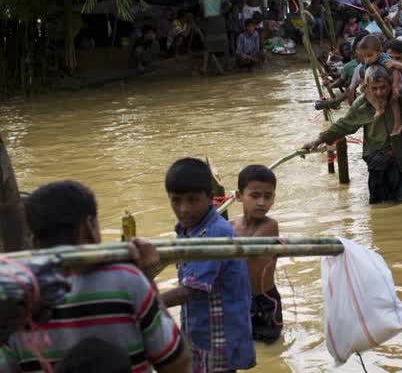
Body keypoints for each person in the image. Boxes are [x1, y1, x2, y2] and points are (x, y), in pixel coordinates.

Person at [0, 180, 190, 373]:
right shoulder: (127, 280)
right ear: (90, 227)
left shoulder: (16, 295)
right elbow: (177, 366)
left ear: (34, 241)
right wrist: (147, 277)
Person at [159, 158, 255, 373]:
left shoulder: (215, 233)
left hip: (219, 340)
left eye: (193, 200)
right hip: (201, 331)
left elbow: (190, 290)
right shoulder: (187, 229)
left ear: (210, 198)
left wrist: (149, 303)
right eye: (176, 200)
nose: (184, 209)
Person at [302, 62, 402, 204]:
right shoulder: (362, 105)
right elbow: (344, 125)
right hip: (378, 159)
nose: (379, 93)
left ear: (390, 85)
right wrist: (318, 140)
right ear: (367, 88)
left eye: (383, 87)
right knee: (378, 206)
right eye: (375, 89)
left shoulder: (397, 96)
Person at [231, 165, 283, 344]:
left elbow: (246, 252)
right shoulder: (229, 226)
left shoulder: (270, 226)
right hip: (238, 301)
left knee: (270, 351)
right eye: (255, 196)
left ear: (273, 198)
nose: (262, 202)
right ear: (239, 196)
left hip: (265, 301)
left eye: (268, 196)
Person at [354, 35, 402, 136]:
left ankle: (397, 124)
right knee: (366, 93)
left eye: (370, 55)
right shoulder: (367, 62)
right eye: (365, 57)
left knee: (394, 101)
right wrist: (364, 84)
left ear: (379, 51)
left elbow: (395, 72)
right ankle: (378, 108)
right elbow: (364, 74)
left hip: (391, 84)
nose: (367, 59)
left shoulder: (385, 59)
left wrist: (395, 86)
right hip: (378, 87)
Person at [199, 0, 231, 75]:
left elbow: (201, 8)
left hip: (208, 19)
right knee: (224, 43)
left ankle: (204, 67)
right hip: (219, 19)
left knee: (208, 45)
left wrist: (205, 15)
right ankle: (228, 64)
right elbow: (229, 5)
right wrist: (222, 12)